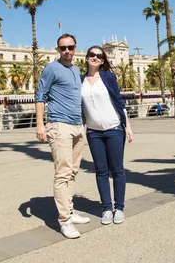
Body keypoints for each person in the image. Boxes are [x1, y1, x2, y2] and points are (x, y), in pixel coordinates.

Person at [35, 34, 90, 239]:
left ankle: (70, 210)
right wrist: (40, 124)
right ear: (57, 49)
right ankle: (64, 220)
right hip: (59, 125)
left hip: (77, 126)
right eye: (63, 48)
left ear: (75, 48)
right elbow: (40, 96)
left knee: (73, 171)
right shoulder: (51, 68)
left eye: (70, 47)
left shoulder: (76, 70)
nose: (67, 51)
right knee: (62, 172)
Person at [81, 46, 133, 226]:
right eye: (91, 55)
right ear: (86, 58)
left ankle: (119, 208)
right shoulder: (80, 80)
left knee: (117, 170)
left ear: (103, 60)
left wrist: (128, 126)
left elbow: (119, 101)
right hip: (93, 132)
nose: (94, 58)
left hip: (114, 129)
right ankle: (106, 208)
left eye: (98, 56)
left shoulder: (108, 77)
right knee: (101, 171)